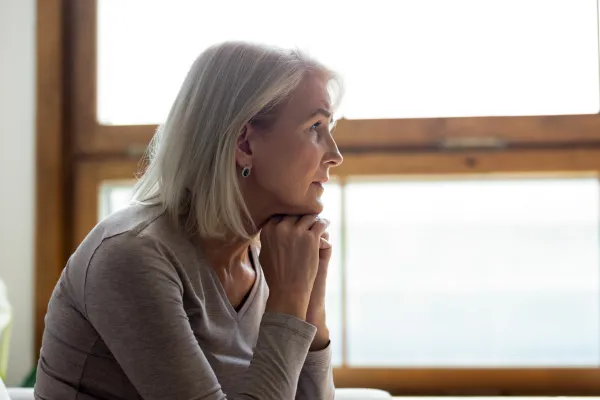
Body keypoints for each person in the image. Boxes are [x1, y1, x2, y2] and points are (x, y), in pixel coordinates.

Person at [35, 41, 344, 400]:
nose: (335, 155)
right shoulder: (130, 256)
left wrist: (311, 301)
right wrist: (289, 301)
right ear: (244, 143)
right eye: (315, 127)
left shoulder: (267, 257)